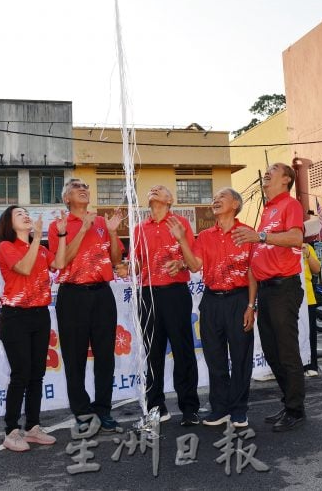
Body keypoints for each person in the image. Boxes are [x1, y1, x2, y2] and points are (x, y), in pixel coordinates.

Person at [168, 188, 256, 428]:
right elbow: (195, 265)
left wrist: (251, 306)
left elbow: (251, 272)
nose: (215, 200)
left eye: (222, 197)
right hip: (211, 301)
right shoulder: (205, 236)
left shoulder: (247, 234)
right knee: (214, 357)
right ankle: (220, 408)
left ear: (235, 204)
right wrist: (182, 239)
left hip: (239, 300)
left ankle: (239, 409)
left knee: (240, 357)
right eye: (214, 198)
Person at [48, 178, 126, 435]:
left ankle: (104, 409)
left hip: (102, 294)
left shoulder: (103, 223)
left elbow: (116, 259)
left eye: (85, 187)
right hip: (72, 296)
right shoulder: (58, 226)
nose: (83, 189)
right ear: (66, 198)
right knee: (74, 356)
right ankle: (82, 412)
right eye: (76, 187)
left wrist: (113, 232)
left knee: (105, 355)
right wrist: (83, 229)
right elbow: (62, 262)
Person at [232, 162, 305, 433]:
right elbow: (256, 258)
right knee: (273, 354)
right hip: (266, 290)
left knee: (286, 352)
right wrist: (252, 303)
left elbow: (296, 238)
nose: (266, 173)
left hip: (284, 287)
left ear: (286, 179)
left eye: (273, 169)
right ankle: (288, 404)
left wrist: (261, 235)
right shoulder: (268, 209)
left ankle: (296, 410)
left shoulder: (291, 205)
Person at [0, 205, 68, 452]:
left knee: (37, 374)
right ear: (9, 223)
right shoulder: (6, 247)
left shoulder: (41, 249)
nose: (26, 215)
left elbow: (60, 263)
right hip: (15, 317)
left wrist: (61, 235)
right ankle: (11, 431)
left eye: (26, 212)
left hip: (40, 315)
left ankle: (34, 426)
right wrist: (36, 238)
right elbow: (24, 269)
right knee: (21, 374)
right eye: (19, 214)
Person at [133, 185, 199, 426]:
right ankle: (156, 406)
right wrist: (127, 268)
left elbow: (192, 260)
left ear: (170, 200)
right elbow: (137, 265)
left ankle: (190, 407)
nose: (155, 190)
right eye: (153, 189)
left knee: (183, 351)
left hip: (175, 293)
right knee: (153, 352)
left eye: (161, 189)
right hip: (148, 295)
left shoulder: (180, 223)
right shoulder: (139, 228)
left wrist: (180, 264)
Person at [302, 243, 321, 377]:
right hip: (288, 298)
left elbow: (316, 270)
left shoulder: (307, 247)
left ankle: (311, 364)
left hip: (307, 298)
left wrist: (308, 254)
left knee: (310, 334)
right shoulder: (281, 245)